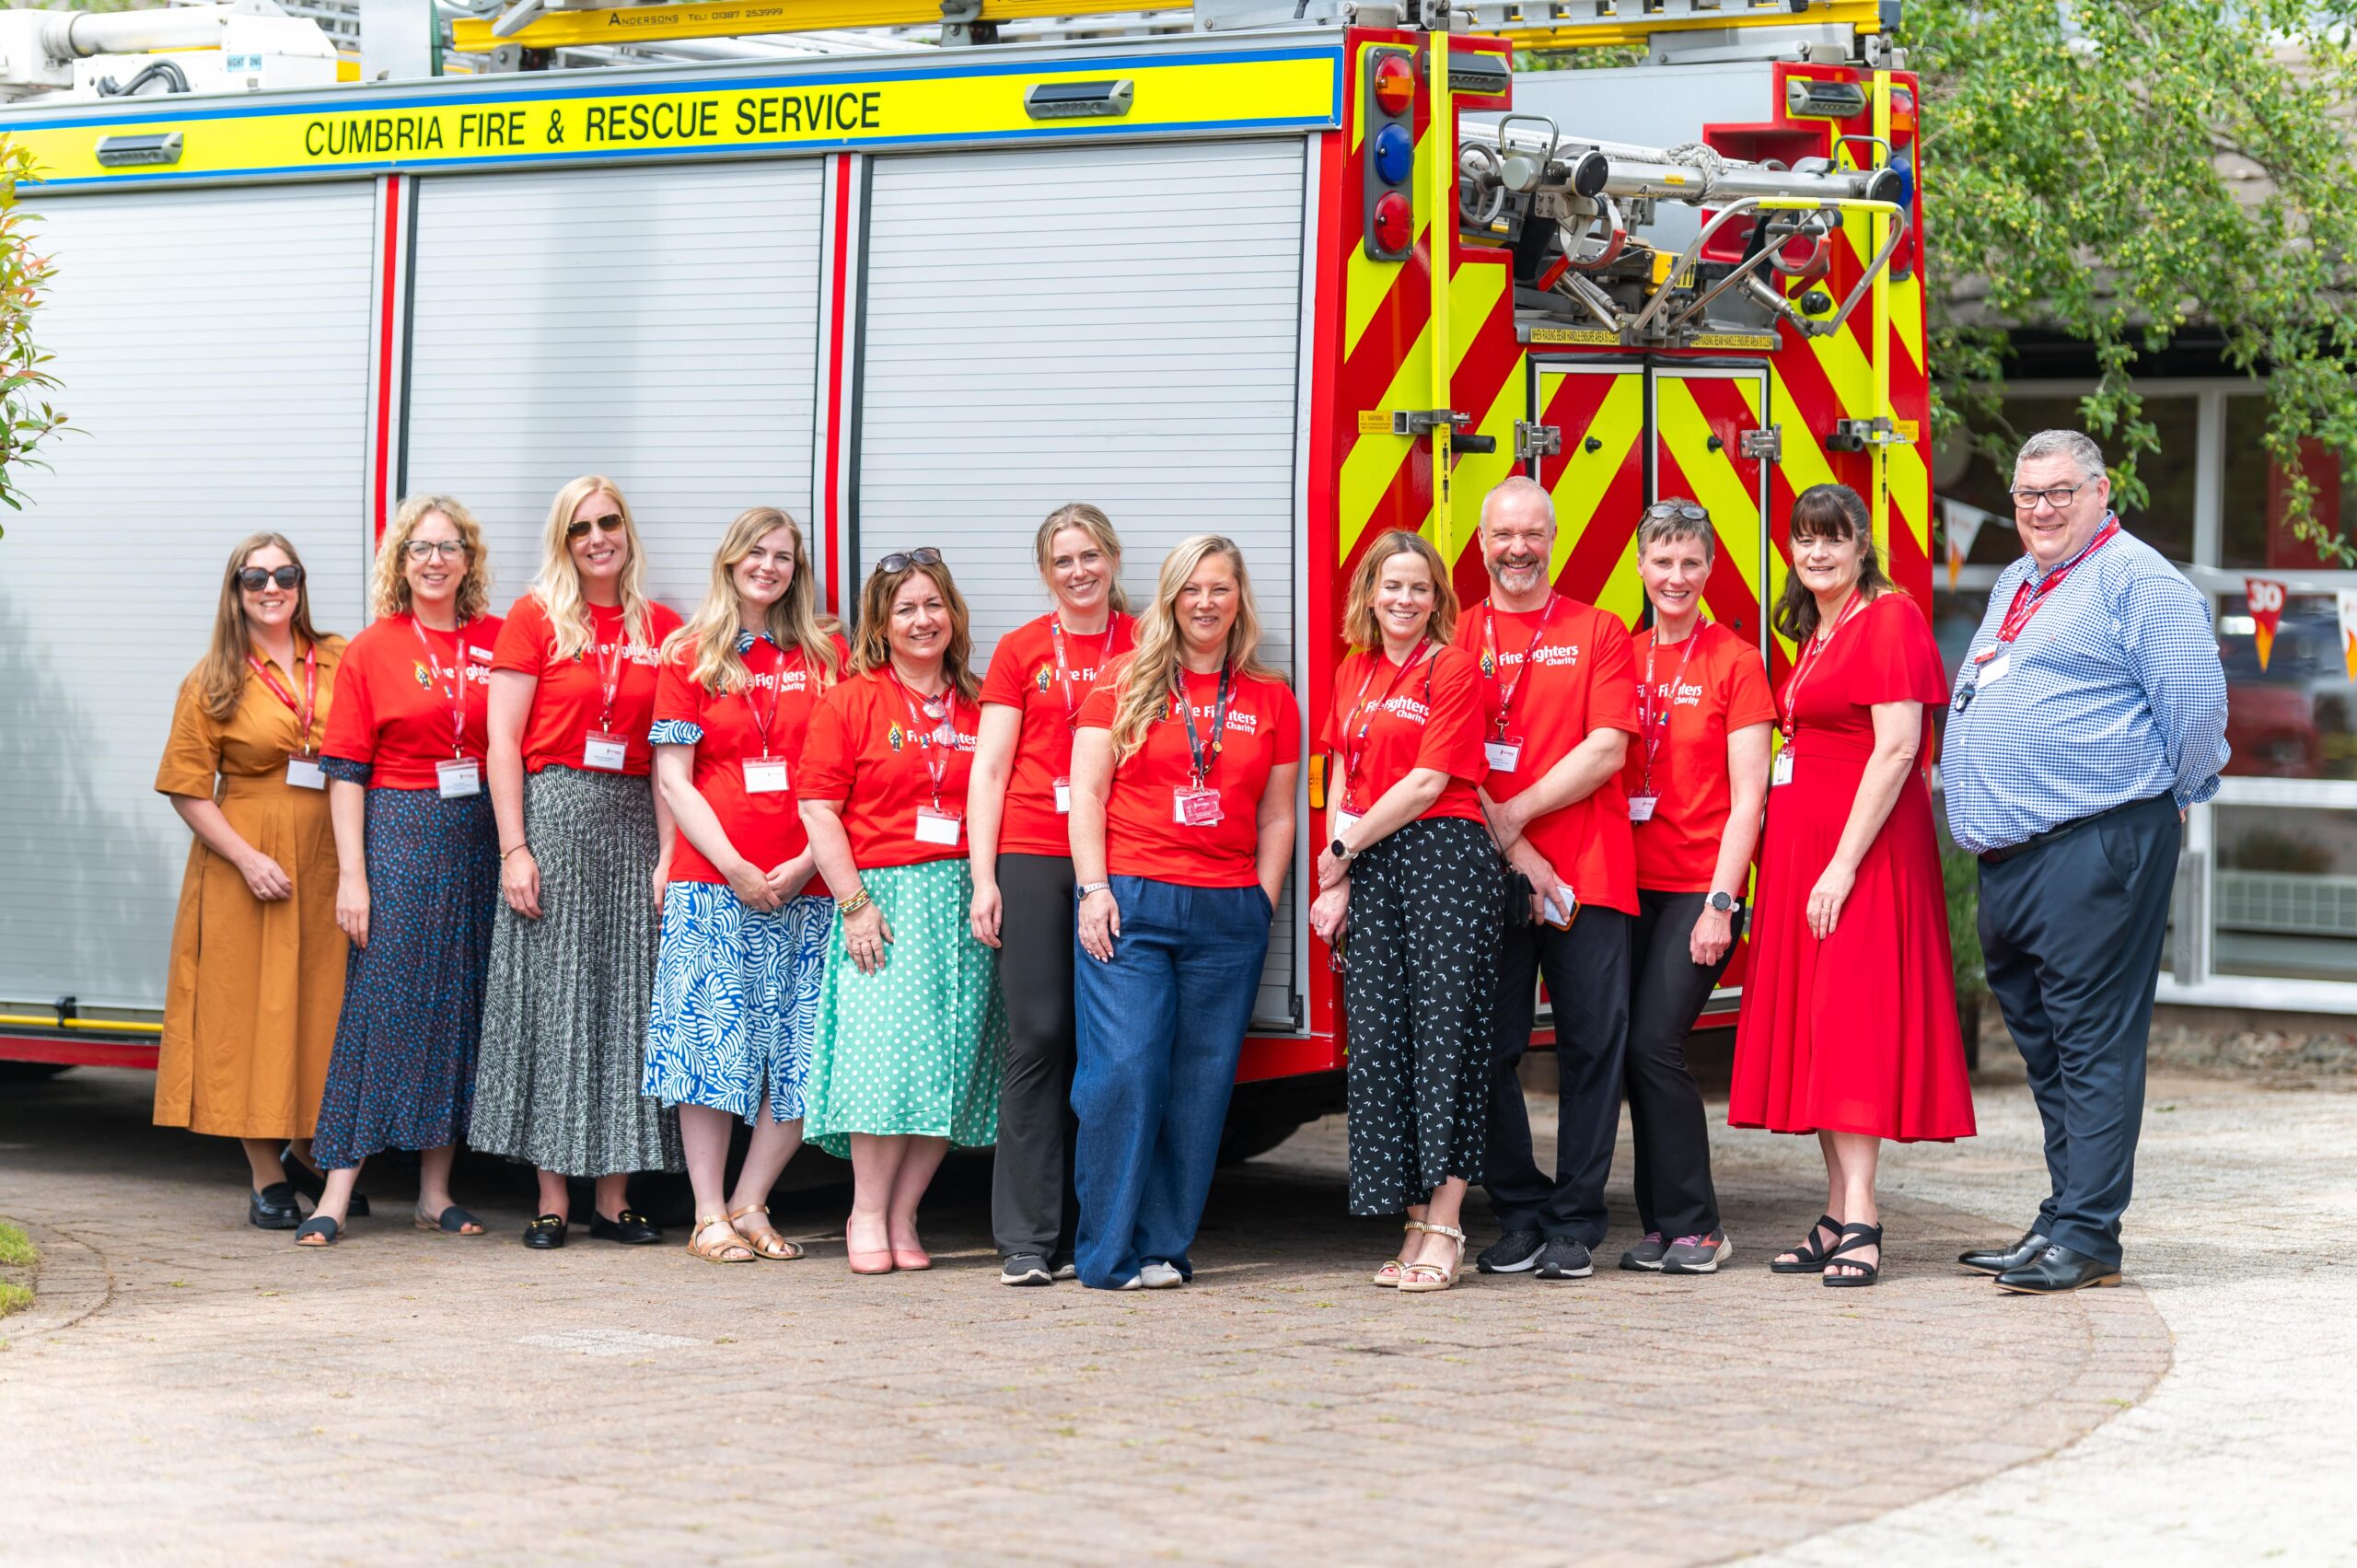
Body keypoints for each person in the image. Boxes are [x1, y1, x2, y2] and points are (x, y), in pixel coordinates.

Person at [1945, 430, 2228, 1295]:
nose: (2041, 509)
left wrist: (2152, 805)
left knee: (2093, 1045)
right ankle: (2067, 1211)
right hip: (2017, 856)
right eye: (2028, 494)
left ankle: (2091, 1235)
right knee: (2047, 1047)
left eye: (2060, 492)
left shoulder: (2138, 580)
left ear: (2103, 493)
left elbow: (2197, 713)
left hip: (2097, 842)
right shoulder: (2019, 580)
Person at [1729, 482, 1976, 1287]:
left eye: (1832, 538)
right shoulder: (1814, 628)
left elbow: (1899, 748)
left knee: (1851, 1025)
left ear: (1862, 545)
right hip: (1808, 852)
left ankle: (1863, 1215)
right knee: (1819, 1027)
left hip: (1860, 855)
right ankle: (1837, 1210)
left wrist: (1841, 861)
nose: (1816, 553)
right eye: (1804, 539)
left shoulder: (1891, 618)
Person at [1067, 535, 1300, 1292]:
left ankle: (1164, 1245)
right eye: (1193, 588)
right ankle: (1106, 1254)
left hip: (1228, 911)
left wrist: (1260, 902)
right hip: (1132, 899)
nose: (1206, 602)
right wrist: (1094, 888)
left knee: (1200, 1084)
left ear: (1240, 601)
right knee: (1125, 1072)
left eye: (1221, 589)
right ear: (1170, 597)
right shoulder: (1123, 683)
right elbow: (1088, 797)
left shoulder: (1272, 696)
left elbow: (1276, 816)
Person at [474, 476, 683, 1249]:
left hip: (632, 818)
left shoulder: (661, 626)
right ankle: (553, 1194)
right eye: (580, 527)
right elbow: (502, 743)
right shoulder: (535, 619)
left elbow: (672, 752)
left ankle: (615, 1195)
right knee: (557, 1004)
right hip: (554, 813)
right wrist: (514, 847)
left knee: (626, 999)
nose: (598, 537)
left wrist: (669, 854)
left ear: (627, 530)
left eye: (609, 522)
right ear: (563, 540)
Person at [298, 495, 505, 1246]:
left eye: (449, 547)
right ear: (400, 560)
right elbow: (346, 770)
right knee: (379, 1007)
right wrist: (354, 876)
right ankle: (336, 1188)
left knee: (457, 1011)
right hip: (401, 834)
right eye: (421, 548)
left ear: (468, 560)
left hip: (482, 836)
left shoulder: (499, 639)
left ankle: (434, 1191)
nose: (435, 560)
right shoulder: (373, 647)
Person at [644, 507, 846, 1265]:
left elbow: (845, 774)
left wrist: (805, 864)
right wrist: (731, 863)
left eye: (784, 556)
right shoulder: (691, 654)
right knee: (709, 1048)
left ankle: (751, 1199)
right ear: (730, 561)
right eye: (755, 553)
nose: (769, 566)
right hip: (713, 881)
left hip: (810, 885)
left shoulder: (827, 655)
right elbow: (674, 776)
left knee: (801, 1051)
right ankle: (706, 1214)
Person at [799, 549, 1006, 1274]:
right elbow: (819, 810)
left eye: (934, 605)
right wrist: (854, 905)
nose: (923, 620)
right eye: (906, 609)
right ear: (881, 626)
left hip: (965, 900)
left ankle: (906, 1212)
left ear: (953, 614)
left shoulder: (982, 702)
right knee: (882, 1068)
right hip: (885, 901)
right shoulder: (850, 701)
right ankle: (865, 1211)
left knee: (949, 1067)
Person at [1454, 477, 1639, 1283]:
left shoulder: (1598, 630)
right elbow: (1442, 758)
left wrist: (1514, 815)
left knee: (1591, 1048)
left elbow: (1608, 748)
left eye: (1533, 534)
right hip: (1487, 875)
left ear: (1554, 538)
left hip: (1588, 872)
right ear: (1482, 542)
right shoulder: (1454, 634)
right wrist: (1517, 848)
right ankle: (1520, 1210)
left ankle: (1575, 1219)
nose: (1518, 549)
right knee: (1486, 1049)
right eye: (1503, 534)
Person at [1308, 529, 1497, 1294]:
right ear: (1370, 593)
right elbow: (1342, 773)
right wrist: (1337, 877)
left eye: (1419, 587)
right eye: (1393, 586)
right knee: (1385, 1044)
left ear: (1437, 599)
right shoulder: (1353, 670)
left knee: (1446, 1040)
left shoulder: (1450, 667)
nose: (1405, 599)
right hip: (1374, 864)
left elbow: (1426, 782)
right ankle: (1412, 1221)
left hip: (1444, 858)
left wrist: (1345, 848)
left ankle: (1448, 1225)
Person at [155, 534, 354, 1229]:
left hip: (330, 852)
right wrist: (245, 857)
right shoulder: (212, 675)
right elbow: (187, 788)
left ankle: (308, 1148)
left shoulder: (337, 657)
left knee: (319, 1007)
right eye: (255, 577)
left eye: (285, 574)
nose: (272, 587)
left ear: (301, 582)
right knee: (249, 1012)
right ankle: (266, 1172)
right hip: (248, 864)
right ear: (234, 589)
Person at [968, 504, 1136, 1287]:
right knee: (1037, 1035)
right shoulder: (1020, 649)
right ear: (1046, 572)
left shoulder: (1144, 644)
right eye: (1064, 560)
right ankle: (1027, 1239)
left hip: (1117, 852)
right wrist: (982, 877)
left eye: (1090, 555)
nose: (1079, 571)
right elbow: (992, 769)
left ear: (1112, 559)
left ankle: (1087, 1230)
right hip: (1034, 853)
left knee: (1103, 1047)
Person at [1615, 502, 1775, 1275]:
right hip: (1622, 884)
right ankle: (1661, 1223)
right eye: (1661, 561)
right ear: (1641, 567)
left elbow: (1751, 797)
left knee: (1655, 1041)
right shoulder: (1626, 653)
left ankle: (1699, 1225)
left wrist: (1722, 900)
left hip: (1697, 886)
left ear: (1708, 569)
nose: (1675, 576)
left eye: (1689, 562)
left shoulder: (1735, 661)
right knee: (1628, 1050)